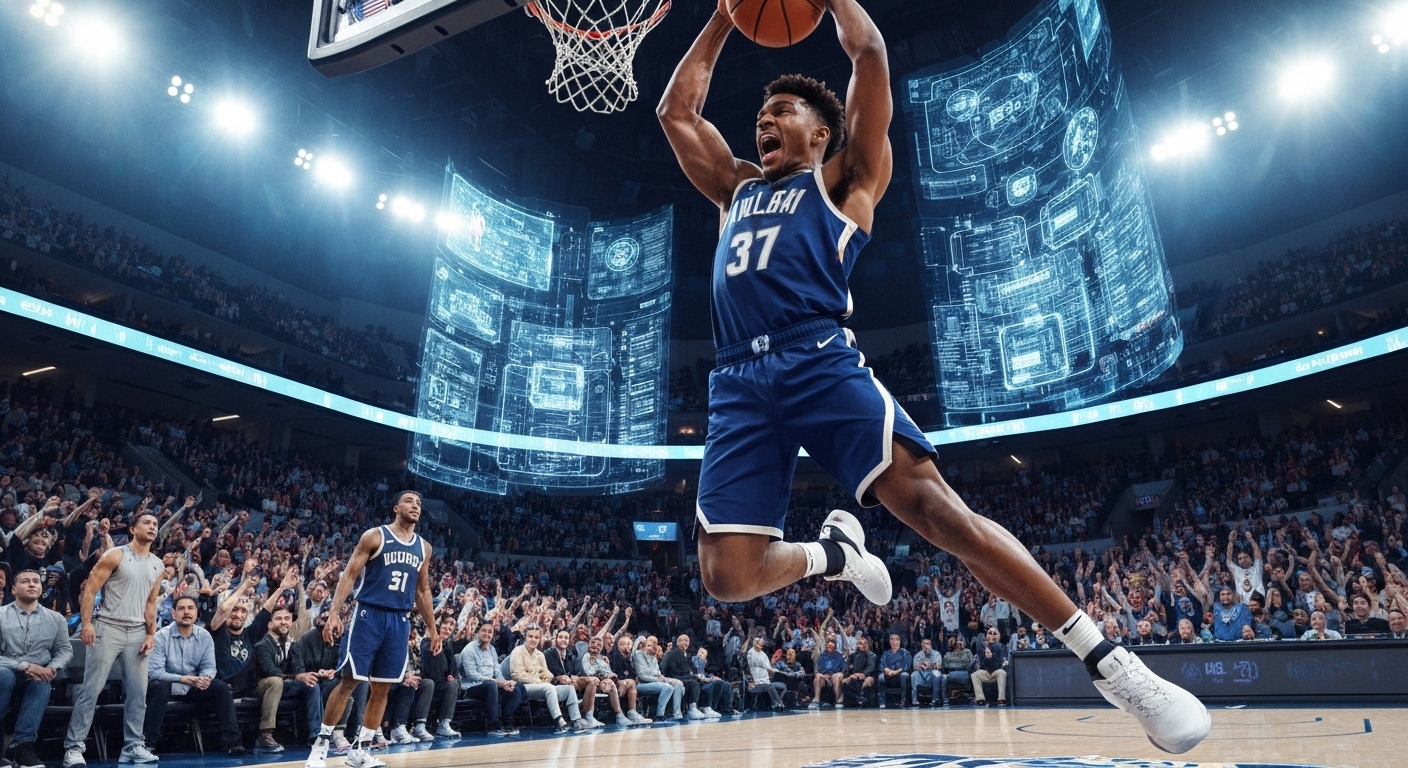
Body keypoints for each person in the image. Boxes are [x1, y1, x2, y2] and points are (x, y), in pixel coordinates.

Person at [656, 0, 1208, 753]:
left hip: (814, 356)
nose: (765, 118)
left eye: (782, 110)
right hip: (736, 384)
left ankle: (1110, 662)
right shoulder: (738, 190)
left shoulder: (845, 181)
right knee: (727, 577)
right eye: (762, 112)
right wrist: (725, 15)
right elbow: (677, 113)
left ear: (821, 133)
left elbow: (869, 55)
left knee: (938, 514)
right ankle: (834, 556)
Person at [307, 491, 439, 768]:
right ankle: (320, 747)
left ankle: (361, 750)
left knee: (382, 688)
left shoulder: (424, 547)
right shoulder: (375, 536)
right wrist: (334, 613)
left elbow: (422, 590)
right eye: (409, 501)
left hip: (400, 620)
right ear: (396, 508)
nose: (415, 506)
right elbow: (350, 574)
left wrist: (432, 628)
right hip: (369, 615)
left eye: (419, 503)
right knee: (349, 681)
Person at [64, 512, 164, 768]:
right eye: (147, 523)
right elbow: (90, 590)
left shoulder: (158, 564)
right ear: (133, 529)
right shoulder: (115, 555)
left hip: (138, 631)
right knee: (91, 690)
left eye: (155, 524)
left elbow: (151, 603)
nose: (152, 527)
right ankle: (74, 747)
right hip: (107, 626)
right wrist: (87, 623)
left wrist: (150, 633)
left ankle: (132, 746)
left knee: (138, 694)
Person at [143, 594, 242, 756]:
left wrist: (205, 679)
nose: (186, 612)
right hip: (165, 689)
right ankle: (149, 743)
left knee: (220, 687)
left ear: (196, 613)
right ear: (173, 613)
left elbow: (209, 667)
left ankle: (233, 742)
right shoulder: (161, 636)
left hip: (192, 688)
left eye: (190, 608)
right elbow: (155, 672)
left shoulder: (204, 636)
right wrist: (183, 679)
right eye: (181, 609)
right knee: (161, 686)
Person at [0, 568, 73, 768]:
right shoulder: (1, 615)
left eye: (36, 581)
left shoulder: (56, 618)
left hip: (37, 676)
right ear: (13, 589)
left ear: (41, 588)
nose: (32, 584)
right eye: (25, 581)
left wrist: (52, 668)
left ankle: (21, 747)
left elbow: (64, 650)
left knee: (42, 684)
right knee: (4, 676)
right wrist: (25, 665)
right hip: (5, 673)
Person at [254, 606, 325, 752]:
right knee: (276, 680)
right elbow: (270, 671)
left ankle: (316, 736)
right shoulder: (262, 645)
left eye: (287, 619)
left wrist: (315, 674)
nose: (283, 622)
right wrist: (296, 676)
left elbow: (299, 668)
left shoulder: (291, 645)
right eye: (278, 619)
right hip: (263, 687)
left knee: (311, 684)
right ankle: (264, 736)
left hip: (286, 686)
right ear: (270, 624)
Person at [511, 624, 590, 732]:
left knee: (569, 689)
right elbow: (517, 675)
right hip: (523, 687)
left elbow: (547, 674)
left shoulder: (540, 654)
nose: (534, 640)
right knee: (549, 687)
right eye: (530, 636)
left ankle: (576, 719)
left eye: (536, 637)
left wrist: (551, 679)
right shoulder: (518, 651)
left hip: (541, 686)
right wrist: (538, 680)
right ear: (525, 637)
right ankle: (558, 720)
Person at [458, 622, 526, 736]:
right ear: (478, 633)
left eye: (490, 632)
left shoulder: (492, 650)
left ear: (492, 635)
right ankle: (493, 727)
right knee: (491, 685)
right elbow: (471, 675)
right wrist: (495, 681)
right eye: (484, 631)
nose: (486, 634)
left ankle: (506, 722)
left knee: (519, 686)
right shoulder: (469, 650)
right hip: (472, 687)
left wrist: (505, 683)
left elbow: (497, 671)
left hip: (491, 685)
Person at [546, 627, 605, 727]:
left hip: (573, 682)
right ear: (556, 639)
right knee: (573, 681)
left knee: (593, 681)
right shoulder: (549, 653)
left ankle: (589, 716)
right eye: (560, 637)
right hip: (556, 684)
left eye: (566, 638)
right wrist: (568, 677)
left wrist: (576, 677)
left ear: (569, 640)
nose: (563, 640)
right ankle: (582, 715)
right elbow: (554, 672)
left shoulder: (571, 655)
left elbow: (579, 672)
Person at [582, 633, 643, 726]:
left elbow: (609, 672)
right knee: (609, 683)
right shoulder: (587, 656)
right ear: (588, 645)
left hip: (609, 680)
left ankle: (632, 713)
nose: (595, 646)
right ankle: (619, 715)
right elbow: (588, 672)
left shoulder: (603, 658)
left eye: (599, 644)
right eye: (593, 643)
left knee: (630, 682)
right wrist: (606, 677)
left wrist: (617, 680)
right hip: (596, 682)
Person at [632, 635, 685, 720]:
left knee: (678, 684)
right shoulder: (638, 655)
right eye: (648, 645)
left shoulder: (653, 658)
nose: (650, 647)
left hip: (656, 682)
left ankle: (677, 714)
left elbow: (658, 674)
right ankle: (660, 715)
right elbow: (643, 676)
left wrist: (665, 679)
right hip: (642, 684)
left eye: (652, 645)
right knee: (667, 687)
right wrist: (659, 680)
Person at [745, 636, 787, 710]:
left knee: (783, 686)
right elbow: (762, 665)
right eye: (759, 643)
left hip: (767, 682)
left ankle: (775, 703)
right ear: (755, 644)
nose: (761, 645)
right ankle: (778, 703)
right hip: (757, 683)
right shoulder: (751, 653)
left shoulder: (763, 654)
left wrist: (772, 670)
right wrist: (771, 669)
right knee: (769, 687)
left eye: (761, 644)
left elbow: (768, 667)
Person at [972, 628, 1009, 706]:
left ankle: (1001, 699)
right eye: (990, 633)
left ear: (998, 636)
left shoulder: (1002, 647)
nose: (992, 635)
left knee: (1002, 673)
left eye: (994, 633)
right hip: (986, 673)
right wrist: (987, 658)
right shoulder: (982, 647)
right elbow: (981, 665)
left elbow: (1000, 665)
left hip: (997, 672)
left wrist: (991, 657)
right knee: (974, 675)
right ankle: (980, 699)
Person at [841, 636, 876, 708]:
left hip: (868, 675)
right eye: (860, 643)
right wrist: (847, 676)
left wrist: (862, 674)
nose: (863, 645)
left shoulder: (872, 655)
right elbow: (847, 668)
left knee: (865, 679)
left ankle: (861, 696)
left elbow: (870, 668)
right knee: (846, 680)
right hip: (853, 675)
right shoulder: (853, 655)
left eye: (865, 643)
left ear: (868, 644)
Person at [878, 633, 911, 708]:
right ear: (889, 641)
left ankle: (903, 701)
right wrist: (888, 671)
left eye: (897, 639)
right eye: (892, 639)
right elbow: (883, 666)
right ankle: (882, 702)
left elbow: (906, 666)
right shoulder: (886, 653)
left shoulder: (905, 652)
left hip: (900, 674)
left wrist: (895, 672)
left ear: (900, 641)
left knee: (904, 675)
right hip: (888, 674)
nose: (894, 642)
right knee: (881, 677)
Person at [811, 637, 845, 708]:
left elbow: (844, 670)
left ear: (835, 645)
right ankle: (816, 699)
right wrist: (822, 675)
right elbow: (817, 669)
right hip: (824, 676)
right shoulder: (821, 656)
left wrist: (831, 675)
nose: (830, 645)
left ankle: (838, 700)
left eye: (832, 643)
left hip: (835, 676)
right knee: (818, 676)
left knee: (836, 676)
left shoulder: (839, 656)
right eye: (828, 644)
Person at [909, 637, 942, 707]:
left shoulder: (936, 654)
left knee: (936, 673)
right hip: (921, 675)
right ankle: (914, 700)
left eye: (928, 644)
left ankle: (935, 699)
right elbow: (915, 668)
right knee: (913, 674)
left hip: (931, 675)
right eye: (924, 644)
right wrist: (920, 665)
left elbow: (939, 667)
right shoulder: (917, 655)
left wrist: (932, 664)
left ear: (931, 645)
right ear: (921, 645)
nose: (926, 645)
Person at [940, 635, 973, 704]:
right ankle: (944, 699)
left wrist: (957, 665)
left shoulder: (967, 652)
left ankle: (971, 695)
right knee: (944, 677)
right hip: (951, 673)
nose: (962, 642)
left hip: (965, 672)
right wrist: (957, 666)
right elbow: (945, 666)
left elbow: (971, 664)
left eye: (962, 640)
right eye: (959, 640)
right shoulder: (948, 654)